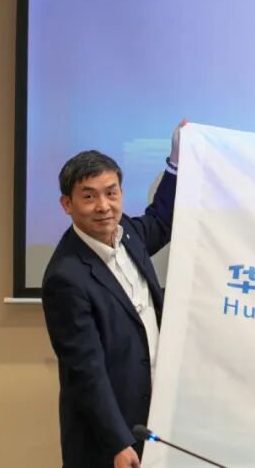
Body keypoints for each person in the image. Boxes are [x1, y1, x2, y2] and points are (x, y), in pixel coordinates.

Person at [42, 121, 186, 468]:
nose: (103, 206)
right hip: (109, 438)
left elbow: (162, 219)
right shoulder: (66, 276)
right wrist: (118, 442)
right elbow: (85, 371)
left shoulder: (130, 235)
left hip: (151, 417)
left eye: (111, 193)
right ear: (67, 204)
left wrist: (176, 161)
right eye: (89, 196)